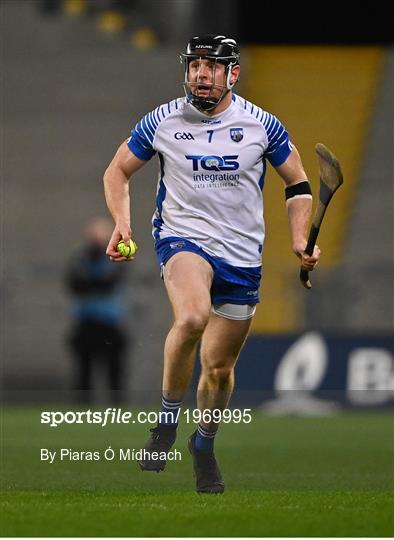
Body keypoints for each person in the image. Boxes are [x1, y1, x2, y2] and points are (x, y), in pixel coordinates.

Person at [103, 34, 320, 493]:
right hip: (183, 238)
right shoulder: (162, 120)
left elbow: (298, 184)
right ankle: (164, 424)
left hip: (242, 254)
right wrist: (122, 223)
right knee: (194, 316)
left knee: (219, 368)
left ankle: (203, 444)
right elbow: (117, 170)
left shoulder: (262, 126)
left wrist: (300, 238)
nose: (201, 74)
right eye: (195, 65)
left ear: (232, 74)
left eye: (212, 66)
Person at [65, 217, 129, 404]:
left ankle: (117, 410)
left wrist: (92, 283)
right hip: (86, 321)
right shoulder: (80, 258)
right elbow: (76, 284)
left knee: (115, 371)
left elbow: (108, 283)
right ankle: (83, 410)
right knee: (83, 371)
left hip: (110, 322)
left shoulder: (115, 259)